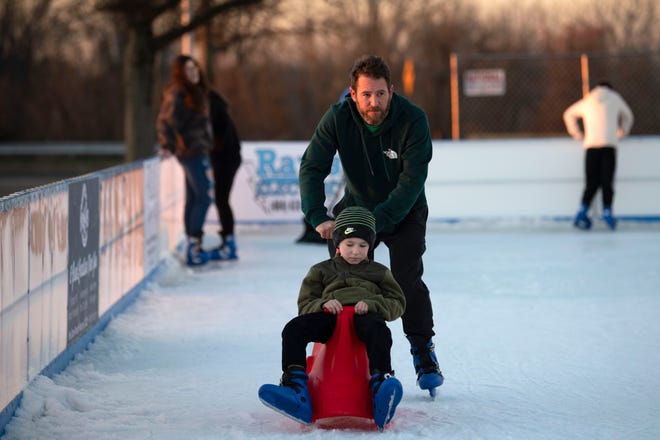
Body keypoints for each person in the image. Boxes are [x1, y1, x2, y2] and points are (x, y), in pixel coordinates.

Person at [298, 55, 444, 396]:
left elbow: (411, 182)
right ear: (353, 93)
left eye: (380, 94)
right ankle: (337, 353)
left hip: (405, 211)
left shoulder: (413, 120)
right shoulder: (338, 118)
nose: (373, 102)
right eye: (366, 94)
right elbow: (312, 166)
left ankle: (423, 349)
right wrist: (318, 216)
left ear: (391, 91)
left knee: (405, 280)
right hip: (358, 207)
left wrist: (372, 224)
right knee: (340, 275)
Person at [258, 207, 405, 430]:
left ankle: (379, 386)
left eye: (363, 245)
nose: (356, 251)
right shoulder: (321, 270)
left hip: (363, 318)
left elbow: (398, 302)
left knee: (379, 330)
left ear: (371, 245)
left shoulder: (379, 272)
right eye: (349, 244)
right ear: (337, 244)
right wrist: (322, 304)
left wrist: (374, 305)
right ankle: (296, 388)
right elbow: (305, 303)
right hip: (329, 319)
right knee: (293, 329)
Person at [156, 54, 214, 266]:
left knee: (194, 196)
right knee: (204, 196)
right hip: (190, 152)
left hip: (199, 149)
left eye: (195, 68)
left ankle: (193, 244)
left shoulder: (195, 92)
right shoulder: (177, 92)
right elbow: (164, 121)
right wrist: (169, 145)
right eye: (189, 70)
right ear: (180, 73)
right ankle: (194, 243)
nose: (194, 73)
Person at [563, 80, 634, 230]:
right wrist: (622, 131)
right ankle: (607, 211)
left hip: (591, 145)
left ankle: (582, 210)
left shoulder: (588, 100)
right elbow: (628, 115)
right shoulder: (615, 98)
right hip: (609, 145)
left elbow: (568, 114)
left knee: (591, 182)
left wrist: (577, 133)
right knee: (607, 181)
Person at [208, 89, 242, 260]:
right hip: (227, 157)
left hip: (226, 159)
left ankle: (228, 241)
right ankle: (228, 239)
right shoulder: (216, 105)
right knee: (221, 199)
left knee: (221, 199)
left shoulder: (213, 107)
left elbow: (218, 135)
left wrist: (211, 151)